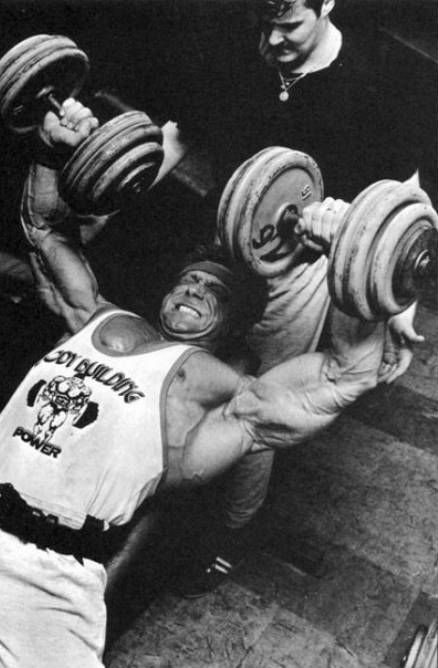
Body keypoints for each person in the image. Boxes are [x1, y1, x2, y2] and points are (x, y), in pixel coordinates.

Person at [0, 98, 388, 668]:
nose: (195, 290)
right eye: (191, 280)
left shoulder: (227, 395)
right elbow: (44, 230)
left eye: (215, 293)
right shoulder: (97, 315)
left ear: (235, 325)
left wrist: (354, 261)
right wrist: (51, 153)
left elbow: (345, 374)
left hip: (44, 579)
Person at [160, 0, 427, 596]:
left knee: (256, 404)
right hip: (219, 248)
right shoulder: (239, 52)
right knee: (178, 375)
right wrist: (107, 190)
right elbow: (179, 132)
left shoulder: (374, 78)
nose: (273, 40)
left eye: (289, 25)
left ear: (327, 2)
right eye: (263, 25)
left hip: (299, 272)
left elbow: (401, 204)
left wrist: (398, 304)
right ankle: (152, 488)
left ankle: (227, 534)